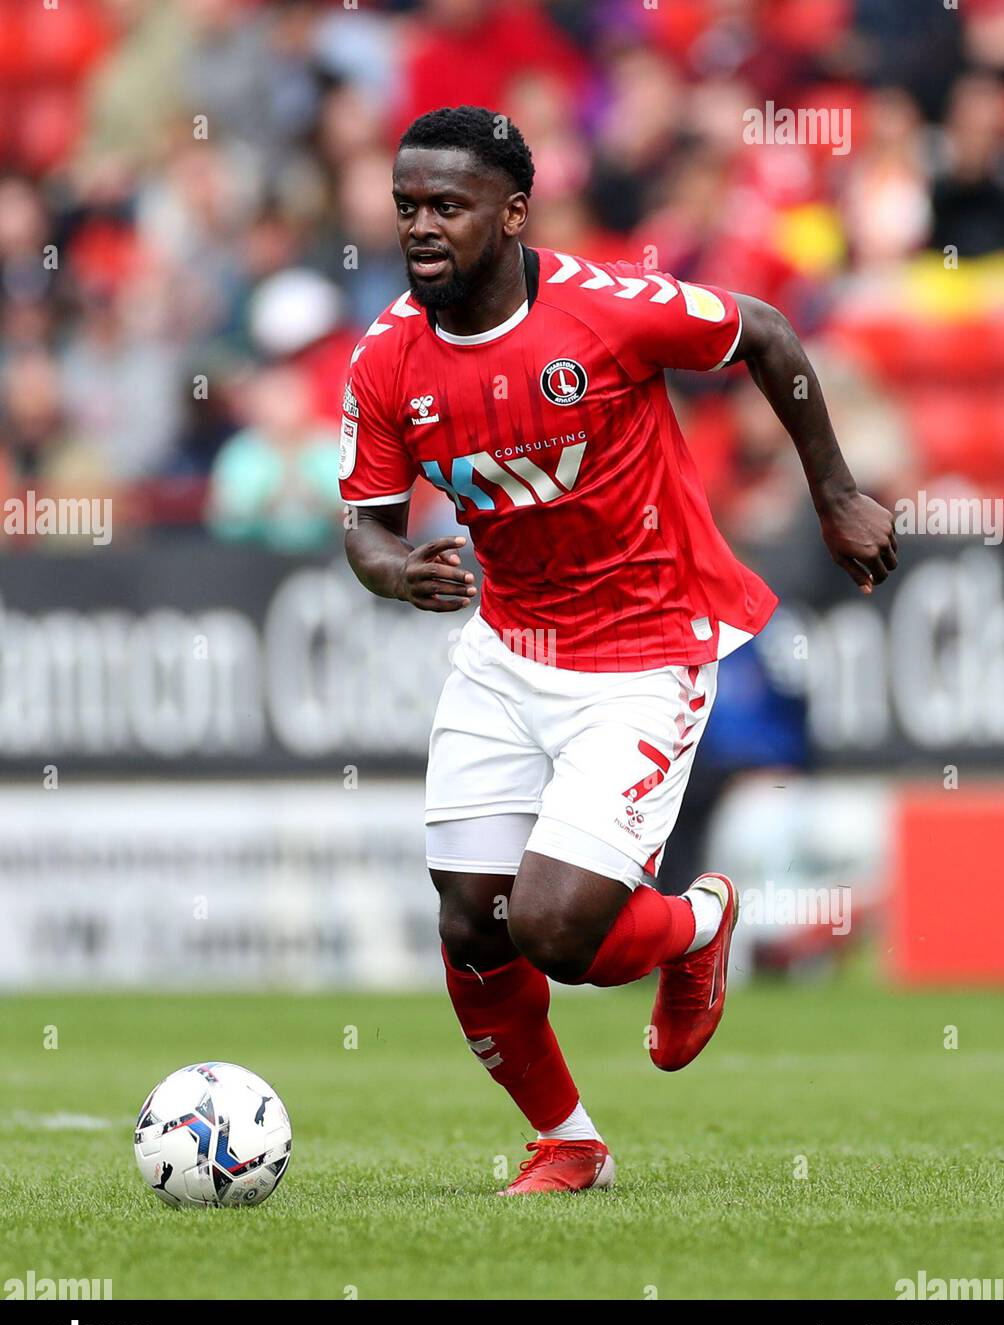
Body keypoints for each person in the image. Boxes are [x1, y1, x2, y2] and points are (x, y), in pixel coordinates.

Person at [341, 106, 896, 1194]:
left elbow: (766, 334)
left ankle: (694, 924)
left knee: (551, 926)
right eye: (405, 205)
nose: (419, 227)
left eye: (445, 206)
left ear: (510, 213)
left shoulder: (605, 312)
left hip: (643, 650)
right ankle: (569, 1141)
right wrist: (398, 569)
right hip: (505, 648)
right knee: (468, 915)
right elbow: (360, 522)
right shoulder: (386, 357)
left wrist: (832, 495)